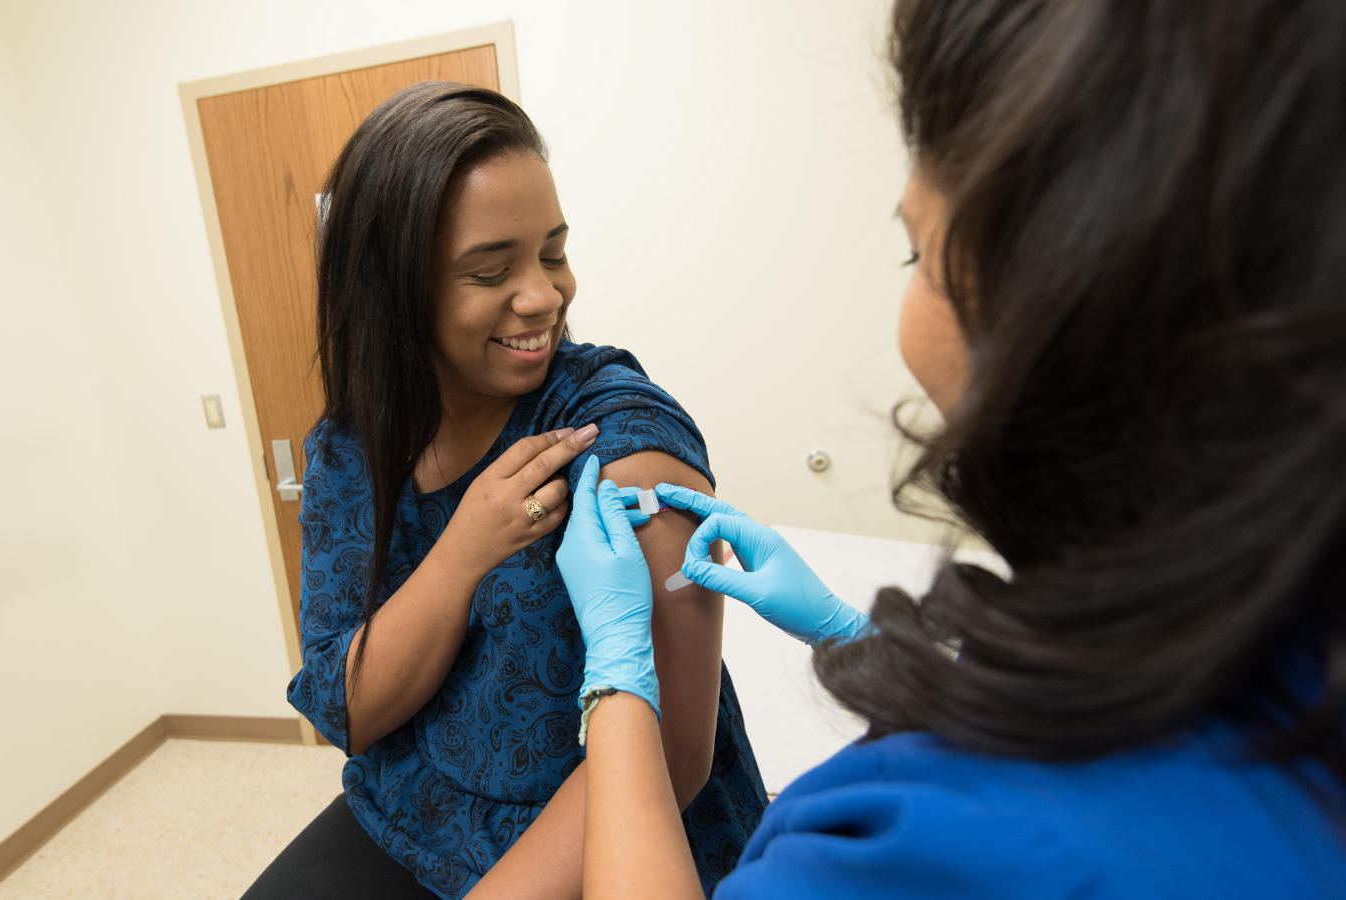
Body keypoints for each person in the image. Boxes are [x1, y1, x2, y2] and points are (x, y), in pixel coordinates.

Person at [555, 0, 1346, 897]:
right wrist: (863, 640)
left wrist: (616, 673)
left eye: (917, 254)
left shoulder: (930, 852)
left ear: (1065, 304)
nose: (543, 295)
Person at [240, 83, 765, 900]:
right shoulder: (351, 448)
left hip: (615, 840)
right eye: (492, 270)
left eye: (554, 252)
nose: (544, 296)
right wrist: (460, 554)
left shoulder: (616, 434)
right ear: (393, 295)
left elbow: (673, 760)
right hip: (416, 808)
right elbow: (349, 713)